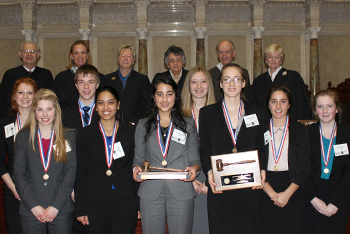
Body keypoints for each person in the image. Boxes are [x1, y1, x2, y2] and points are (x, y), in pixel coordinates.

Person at [199, 63, 266, 234]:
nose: (231, 84)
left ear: (244, 83)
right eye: (226, 79)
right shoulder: (207, 114)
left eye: (237, 79)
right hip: (221, 186)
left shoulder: (258, 112)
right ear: (220, 84)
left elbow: (262, 146)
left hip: (249, 187)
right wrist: (209, 172)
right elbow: (205, 149)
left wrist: (263, 169)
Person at [133, 75, 201, 234]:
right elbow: (138, 157)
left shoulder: (188, 124)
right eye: (160, 94)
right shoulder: (143, 125)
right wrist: (136, 169)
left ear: (176, 96)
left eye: (169, 94)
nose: (164, 99)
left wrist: (194, 169)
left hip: (181, 190)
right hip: (151, 192)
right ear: (153, 97)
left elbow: (195, 158)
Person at [75, 86, 138, 234]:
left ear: (118, 105)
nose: (106, 107)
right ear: (96, 107)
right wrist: (80, 208)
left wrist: (139, 205)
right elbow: (80, 173)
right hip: (95, 201)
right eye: (101, 103)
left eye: (110, 102)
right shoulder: (85, 134)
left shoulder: (130, 132)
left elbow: (135, 167)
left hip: (125, 200)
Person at [13, 89, 76, 234]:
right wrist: (34, 206)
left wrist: (56, 206)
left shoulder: (68, 136)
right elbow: (18, 174)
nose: (45, 114)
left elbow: (70, 173)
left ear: (56, 111)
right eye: (40, 110)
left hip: (61, 208)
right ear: (34, 111)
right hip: (31, 208)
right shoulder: (23, 136)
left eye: (49, 109)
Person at [261, 85, 311, 234]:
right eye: (273, 101)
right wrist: (271, 194)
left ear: (289, 105)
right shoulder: (259, 130)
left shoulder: (300, 130)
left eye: (283, 101)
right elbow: (255, 163)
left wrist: (287, 194)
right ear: (268, 104)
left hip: (293, 189)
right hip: (265, 188)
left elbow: (304, 166)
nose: (278, 106)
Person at [303, 90, 350, 234]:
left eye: (329, 106)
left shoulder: (347, 135)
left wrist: (336, 202)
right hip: (312, 194)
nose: (324, 111)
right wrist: (312, 198)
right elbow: (301, 169)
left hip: (339, 196)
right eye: (320, 106)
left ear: (336, 109)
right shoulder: (305, 133)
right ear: (314, 109)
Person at [0, 78, 38, 234]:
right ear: (14, 96)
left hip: (39, 190)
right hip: (13, 190)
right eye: (20, 92)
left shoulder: (44, 121)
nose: (25, 96)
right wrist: (14, 188)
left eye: (30, 93)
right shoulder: (5, 124)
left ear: (36, 96)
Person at [181, 66, 215, 234]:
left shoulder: (220, 113)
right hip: (186, 177)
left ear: (209, 85)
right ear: (188, 86)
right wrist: (188, 179)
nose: (199, 86)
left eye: (203, 81)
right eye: (194, 82)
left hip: (213, 179)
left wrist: (211, 181)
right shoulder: (178, 115)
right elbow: (174, 151)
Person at [251, 43, 312, 120]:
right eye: (270, 57)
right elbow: (254, 106)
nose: (273, 60)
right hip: (264, 124)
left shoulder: (293, 77)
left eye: (277, 57)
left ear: (281, 60)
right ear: (266, 60)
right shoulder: (258, 81)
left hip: (289, 123)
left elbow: (300, 104)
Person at [0, 41, 54, 118]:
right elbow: (4, 101)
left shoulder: (46, 74)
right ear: (20, 54)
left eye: (32, 51)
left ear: (38, 54)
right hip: (16, 117)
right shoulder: (10, 74)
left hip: (40, 117)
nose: (29, 54)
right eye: (26, 51)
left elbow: (50, 98)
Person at [104, 44, 150, 125]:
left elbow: (145, 105)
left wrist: (133, 122)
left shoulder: (142, 80)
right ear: (118, 59)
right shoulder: (107, 79)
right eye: (122, 55)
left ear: (134, 60)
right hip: (111, 124)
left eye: (129, 56)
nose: (125, 58)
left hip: (136, 125)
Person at [54, 40, 104, 110]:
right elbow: (59, 103)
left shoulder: (100, 77)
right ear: (71, 56)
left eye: (83, 53)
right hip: (68, 117)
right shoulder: (61, 78)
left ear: (87, 55)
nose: (80, 56)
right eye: (76, 53)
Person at [62, 64, 100, 132]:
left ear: (97, 85)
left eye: (90, 82)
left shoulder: (104, 111)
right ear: (76, 85)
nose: (86, 86)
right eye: (81, 82)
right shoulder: (66, 113)